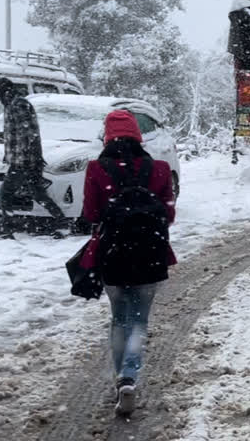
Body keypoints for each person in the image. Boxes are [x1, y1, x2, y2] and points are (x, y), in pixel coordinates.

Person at [80, 110, 177, 415]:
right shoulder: (159, 169)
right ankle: (130, 377)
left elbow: (91, 215)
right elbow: (168, 213)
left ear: (107, 137)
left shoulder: (96, 169)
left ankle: (119, 378)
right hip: (150, 254)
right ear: (138, 135)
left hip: (113, 254)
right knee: (139, 320)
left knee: (119, 318)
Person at [0, 77, 69, 240]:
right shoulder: (13, 105)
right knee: (38, 193)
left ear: (4, 92)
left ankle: (6, 228)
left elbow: (28, 133)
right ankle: (63, 223)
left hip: (24, 160)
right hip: (26, 159)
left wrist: (26, 160)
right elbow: (15, 133)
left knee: (6, 193)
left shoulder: (19, 105)